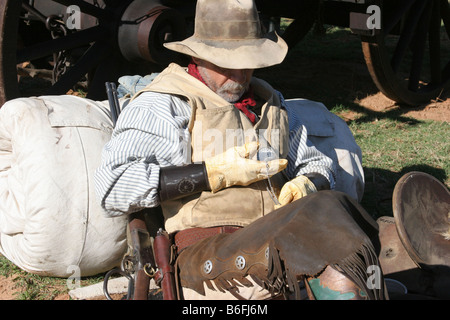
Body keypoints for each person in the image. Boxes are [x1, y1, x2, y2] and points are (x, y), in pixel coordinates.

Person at [95, 0, 387, 300]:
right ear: (199, 56)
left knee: (356, 232)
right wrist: (211, 174)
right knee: (342, 270)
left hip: (280, 239)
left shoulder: (271, 102)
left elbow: (317, 163)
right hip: (208, 254)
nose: (238, 77)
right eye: (226, 65)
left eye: (247, 63)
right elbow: (112, 188)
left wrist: (310, 182)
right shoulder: (168, 102)